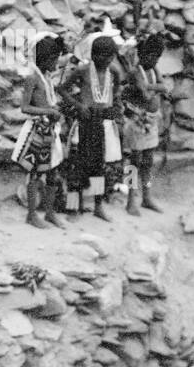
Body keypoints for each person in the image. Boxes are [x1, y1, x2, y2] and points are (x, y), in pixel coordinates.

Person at [61, 35, 124, 222]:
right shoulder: (83, 70)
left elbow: (117, 91)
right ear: (93, 55)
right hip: (85, 122)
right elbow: (63, 89)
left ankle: (98, 206)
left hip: (103, 123)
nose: (106, 60)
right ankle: (73, 208)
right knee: (77, 166)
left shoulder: (114, 71)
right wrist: (79, 106)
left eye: (110, 57)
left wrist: (116, 107)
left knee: (99, 168)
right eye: (102, 56)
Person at [12, 34, 68, 229]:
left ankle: (50, 212)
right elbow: (25, 108)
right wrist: (48, 111)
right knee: (35, 174)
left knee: (53, 173)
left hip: (50, 130)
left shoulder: (46, 77)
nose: (57, 63)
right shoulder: (32, 78)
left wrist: (54, 111)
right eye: (54, 59)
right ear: (44, 59)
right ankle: (31, 214)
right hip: (38, 131)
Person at [122, 32, 168, 215]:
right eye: (151, 56)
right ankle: (131, 199)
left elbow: (163, 87)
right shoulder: (135, 72)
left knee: (148, 160)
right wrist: (155, 88)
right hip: (137, 121)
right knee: (134, 160)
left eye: (157, 57)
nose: (155, 60)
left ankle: (147, 197)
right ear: (141, 55)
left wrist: (152, 87)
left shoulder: (153, 70)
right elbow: (145, 94)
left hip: (151, 120)